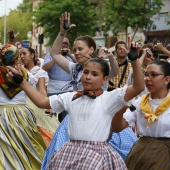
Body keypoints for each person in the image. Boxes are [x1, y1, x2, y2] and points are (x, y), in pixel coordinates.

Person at [7, 45, 144, 169]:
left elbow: (138, 87)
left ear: (104, 79)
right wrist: (22, 82)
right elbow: (42, 101)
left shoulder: (109, 98)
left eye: (94, 74)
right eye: (85, 72)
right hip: (70, 152)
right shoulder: (71, 97)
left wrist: (134, 60)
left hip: (97, 155)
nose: (88, 77)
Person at [41, 12, 138, 169]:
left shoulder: (102, 66)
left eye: (80, 49)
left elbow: (113, 70)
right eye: (75, 49)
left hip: (100, 119)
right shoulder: (75, 68)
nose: (76, 52)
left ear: (91, 49)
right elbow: (54, 54)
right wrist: (62, 32)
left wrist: (110, 57)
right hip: (76, 120)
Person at [112, 60, 170, 170]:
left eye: (154, 74)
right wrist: (120, 112)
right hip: (142, 153)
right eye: (146, 74)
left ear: (167, 79)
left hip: (165, 154)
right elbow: (117, 128)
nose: (148, 78)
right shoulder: (139, 102)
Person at [0, 44, 46, 169]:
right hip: (21, 114)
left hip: (1, 114)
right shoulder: (27, 75)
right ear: (16, 59)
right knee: (26, 143)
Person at [20, 47, 59, 146]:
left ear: (32, 55)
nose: (22, 56)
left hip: (35, 105)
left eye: (24, 54)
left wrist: (47, 105)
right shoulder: (19, 70)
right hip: (21, 105)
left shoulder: (39, 72)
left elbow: (42, 89)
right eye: (20, 55)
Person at [43, 37, 76, 122]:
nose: (64, 45)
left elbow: (81, 66)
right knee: (51, 118)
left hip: (68, 90)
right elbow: (45, 68)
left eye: (66, 43)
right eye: (62, 43)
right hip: (53, 90)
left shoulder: (72, 56)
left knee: (65, 118)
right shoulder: (49, 55)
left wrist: (70, 55)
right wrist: (56, 57)